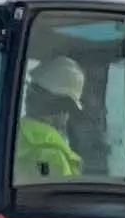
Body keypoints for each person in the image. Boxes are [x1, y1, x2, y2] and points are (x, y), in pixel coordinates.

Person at [16, 51, 89, 184]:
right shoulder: (52, 155)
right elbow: (64, 202)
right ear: (61, 108)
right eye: (69, 109)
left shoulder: (5, 137)